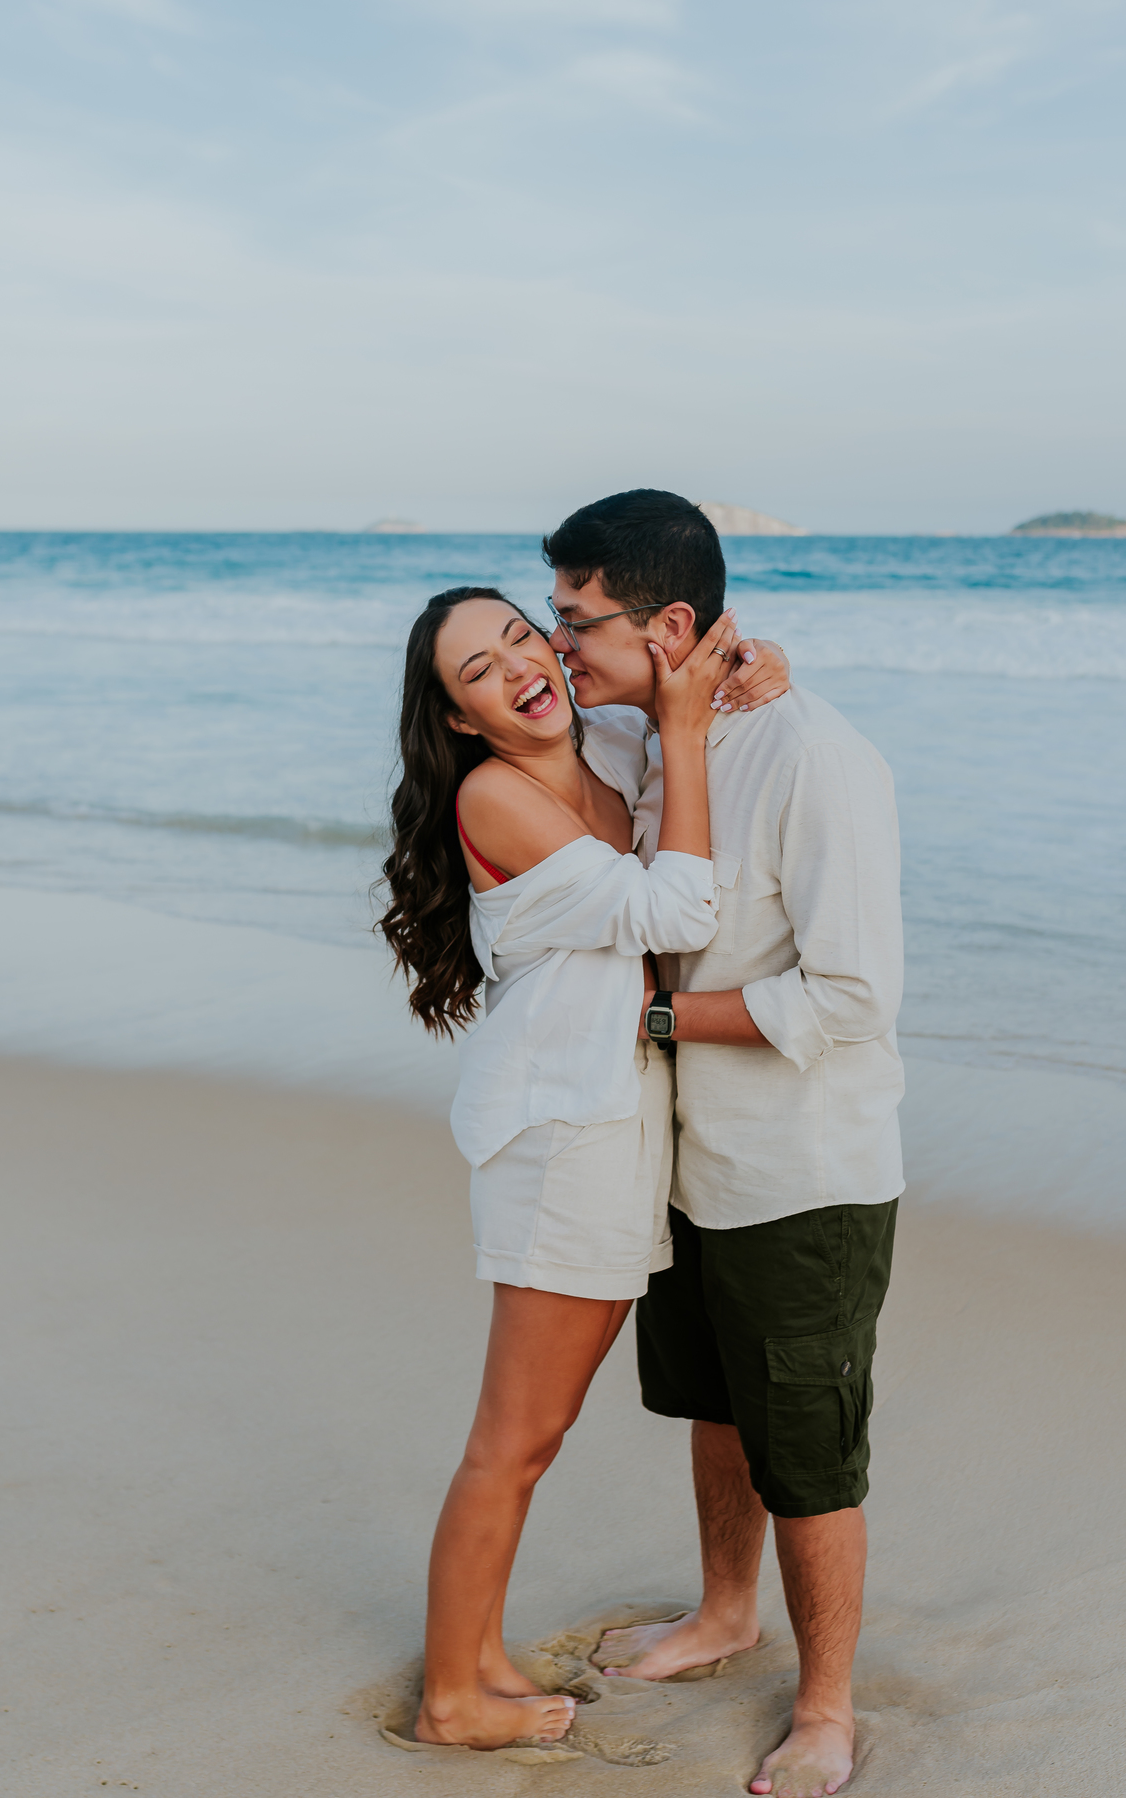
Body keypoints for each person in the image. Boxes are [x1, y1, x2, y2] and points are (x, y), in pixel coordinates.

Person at [378, 583, 790, 1751]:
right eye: (479, 669)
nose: (519, 665)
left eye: (522, 635)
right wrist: (691, 731)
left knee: (534, 1437)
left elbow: (676, 675)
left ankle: (478, 1658)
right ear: (457, 717)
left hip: (610, 1129)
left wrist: (757, 665)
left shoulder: (600, 744)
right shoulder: (496, 795)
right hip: (563, 1144)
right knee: (512, 1439)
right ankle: (451, 1700)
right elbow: (677, 910)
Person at [544, 490, 904, 1798]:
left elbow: (853, 995)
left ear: (669, 624)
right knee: (715, 1402)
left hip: (802, 1171)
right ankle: (723, 1612)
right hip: (685, 1158)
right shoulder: (639, 733)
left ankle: (825, 1709)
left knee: (806, 1448)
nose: (557, 646)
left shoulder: (815, 758)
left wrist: (652, 1017)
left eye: (577, 622)